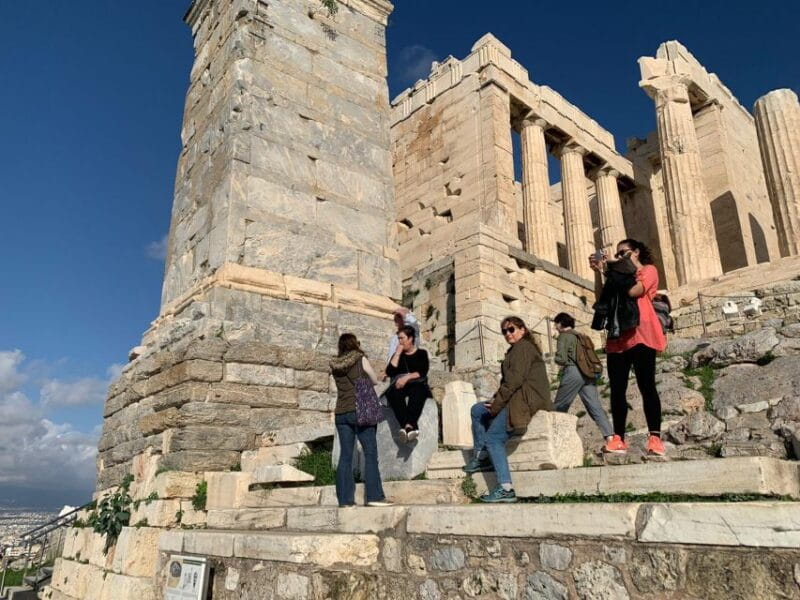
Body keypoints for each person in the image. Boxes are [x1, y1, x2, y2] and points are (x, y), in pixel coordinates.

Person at [589, 239, 667, 456]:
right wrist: (601, 271)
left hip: (642, 332)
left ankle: (655, 438)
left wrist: (615, 267)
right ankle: (619, 438)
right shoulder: (617, 274)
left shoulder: (648, 270)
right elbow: (601, 297)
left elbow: (635, 291)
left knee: (646, 386)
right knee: (617, 390)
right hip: (618, 335)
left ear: (637, 252)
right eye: (618, 253)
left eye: (624, 253)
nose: (620, 256)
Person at [463, 316, 552, 503]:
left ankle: (506, 488)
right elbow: (509, 383)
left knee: (494, 438)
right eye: (504, 331)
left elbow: (514, 382)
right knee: (478, 410)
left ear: (523, 330)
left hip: (526, 399)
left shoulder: (523, 348)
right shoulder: (515, 350)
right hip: (516, 396)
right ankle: (481, 457)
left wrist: (496, 405)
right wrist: (495, 400)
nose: (507, 334)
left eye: (511, 329)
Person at [330, 333, 392, 507]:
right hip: (362, 408)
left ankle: (344, 500)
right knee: (370, 454)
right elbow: (373, 379)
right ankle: (374, 497)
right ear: (354, 343)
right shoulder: (360, 358)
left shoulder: (335, 365)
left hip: (342, 411)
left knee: (345, 456)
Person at [552, 312, 614, 446]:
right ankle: (611, 438)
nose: (555, 327)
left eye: (556, 324)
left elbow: (561, 358)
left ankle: (555, 440)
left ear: (561, 324)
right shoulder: (581, 336)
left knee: (559, 405)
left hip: (573, 372)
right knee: (595, 407)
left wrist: (554, 358)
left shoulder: (564, 336)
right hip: (588, 372)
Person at [385, 325, 431, 443]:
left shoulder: (421, 353)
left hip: (417, 384)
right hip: (400, 386)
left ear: (410, 339)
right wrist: (397, 354)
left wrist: (407, 377)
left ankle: (408, 425)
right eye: (398, 338)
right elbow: (390, 372)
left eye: (402, 338)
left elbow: (422, 371)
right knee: (393, 394)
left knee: (418, 391)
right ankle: (409, 427)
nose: (399, 341)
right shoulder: (398, 355)